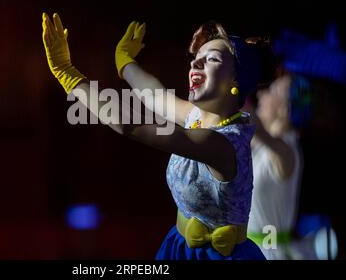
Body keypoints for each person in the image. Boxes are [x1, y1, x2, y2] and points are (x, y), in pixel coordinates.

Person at [42, 13, 265, 260]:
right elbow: (155, 95)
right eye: (195, 58)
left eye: (210, 59)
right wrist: (125, 62)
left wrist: (69, 75)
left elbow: (129, 124)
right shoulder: (197, 117)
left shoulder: (222, 144)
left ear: (236, 80)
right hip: (180, 247)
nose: (195, 64)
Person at [246, 72, 315, 260]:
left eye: (271, 90)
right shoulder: (260, 146)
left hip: (270, 254)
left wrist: (232, 85)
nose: (261, 95)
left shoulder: (287, 151)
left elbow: (255, 126)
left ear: (285, 108)